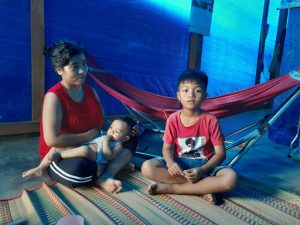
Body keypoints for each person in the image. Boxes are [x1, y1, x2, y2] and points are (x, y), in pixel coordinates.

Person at [24, 39, 140, 193]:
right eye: (74, 67)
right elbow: (52, 140)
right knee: (79, 170)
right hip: (64, 153)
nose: (82, 71)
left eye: (84, 64)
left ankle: (106, 174)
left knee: (132, 136)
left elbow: (103, 122)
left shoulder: (91, 91)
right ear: (59, 70)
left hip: (95, 145)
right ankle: (108, 168)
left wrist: (125, 129)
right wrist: (87, 136)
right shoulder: (54, 97)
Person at [141, 69, 237, 204]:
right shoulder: (173, 119)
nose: (191, 95)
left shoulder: (211, 120)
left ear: (205, 95)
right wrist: (170, 163)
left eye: (197, 91)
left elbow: (221, 153)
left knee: (230, 178)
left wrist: (202, 169)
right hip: (180, 167)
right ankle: (204, 187)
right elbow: (167, 148)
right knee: (147, 167)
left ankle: (172, 188)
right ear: (178, 96)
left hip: (205, 167)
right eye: (185, 90)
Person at [22, 117, 135, 178]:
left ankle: (59, 155)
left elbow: (108, 156)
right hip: (86, 144)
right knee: (59, 146)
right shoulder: (106, 133)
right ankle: (40, 168)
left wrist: (105, 141)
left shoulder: (118, 145)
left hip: (96, 156)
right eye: (111, 128)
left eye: (117, 131)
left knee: (84, 151)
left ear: (124, 138)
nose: (111, 131)